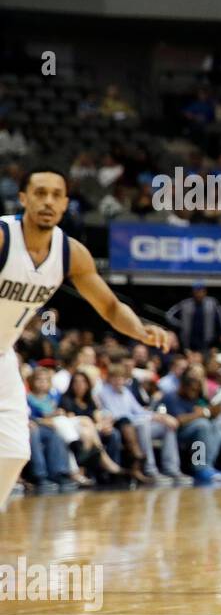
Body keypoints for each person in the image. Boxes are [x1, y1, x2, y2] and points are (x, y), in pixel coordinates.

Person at [0, 168, 169, 505]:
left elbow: (108, 306)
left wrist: (139, 330)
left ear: (65, 203)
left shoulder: (70, 253)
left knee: (14, 450)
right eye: (39, 193)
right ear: (23, 199)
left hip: (3, 354)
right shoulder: (4, 237)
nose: (47, 201)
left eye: (56, 195)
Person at [166, 284, 221, 354]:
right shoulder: (186, 303)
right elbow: (169, 315)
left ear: (205, 292)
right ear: (193, 292)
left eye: (201, 291)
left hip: (207, 340)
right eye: (197, 292)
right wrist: (180, 324)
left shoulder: (212, 303)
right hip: (189, 340)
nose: (199, 294)